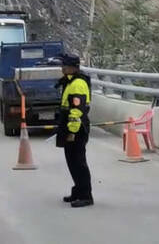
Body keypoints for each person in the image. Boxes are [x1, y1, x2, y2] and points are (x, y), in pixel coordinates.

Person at [55, 53, 93, 208]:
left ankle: (86, 195)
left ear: (72, 67)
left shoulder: (78, 84)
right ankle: (77, 191)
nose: (62, 68)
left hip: (76, 129)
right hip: (70, 127)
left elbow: (77, 109)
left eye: (64, 65)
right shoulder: (70, 82)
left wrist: (72, 131)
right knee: (72, 161)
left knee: (78, 162)